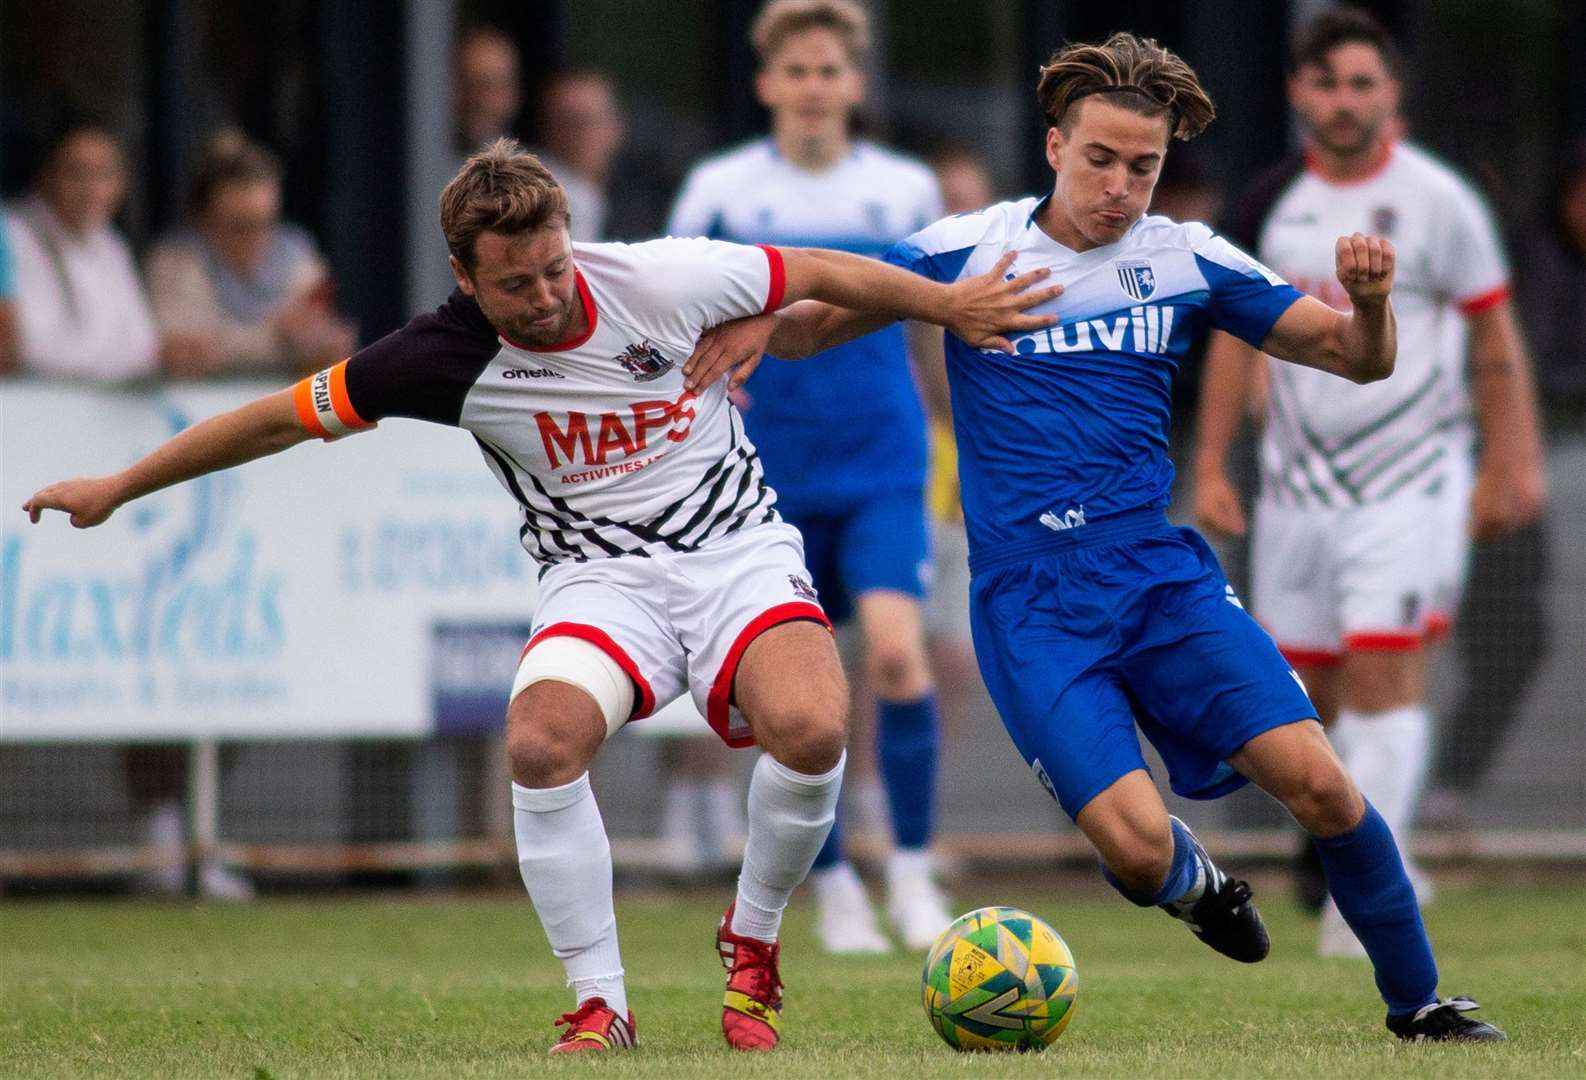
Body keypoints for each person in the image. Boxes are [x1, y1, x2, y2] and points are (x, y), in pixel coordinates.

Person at [23, 138, 1057, 1053]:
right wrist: (119, 487)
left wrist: (950, 307)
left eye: (554, 267)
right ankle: (599, 1005)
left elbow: (826, 270)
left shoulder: (663, 277)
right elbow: (275, 419)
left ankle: (751, 940)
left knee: (813, 728)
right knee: (537, 742)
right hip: (598, 581)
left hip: (736, 552)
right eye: (515, 284)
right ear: (464, 277)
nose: (547, 295)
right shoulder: (438, 358)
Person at [686, 31, 1507, 1043]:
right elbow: (815, 321)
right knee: (1129, 851)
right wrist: (778, 318)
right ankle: (1190, 882)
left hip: (1155, 579)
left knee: (1320, 783)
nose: (1120, 187)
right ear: (1052, 148)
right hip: (1030, 606)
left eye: (1143, 168)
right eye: (1099, 160)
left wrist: (1373, 305)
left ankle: (1418, 1004)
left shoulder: (1185, 258)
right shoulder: (968, 247)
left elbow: (1352, 356)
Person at [1190, 8, 1546, 952]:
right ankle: (1355, 851)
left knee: (1388, 673)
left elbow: (1491, 332)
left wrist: (1512, 459)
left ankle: (1363, 903)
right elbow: (1236, 334)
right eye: (1327, 83)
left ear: (1391, 93)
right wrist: (1211, 463)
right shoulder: (1269, 201)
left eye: (1363, 83)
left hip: (1411, 483)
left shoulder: (1440, 199)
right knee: (1309, 697)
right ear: (1299, 94)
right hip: (1297, 492)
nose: (1345, 101)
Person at [665, 0, 952, 955]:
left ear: (856, 85)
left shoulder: (905, 190)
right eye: (798, 72)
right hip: (766, 475)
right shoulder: (719, 190)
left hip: (881, 459)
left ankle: (911, 874)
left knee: (900, 657)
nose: (815, 88)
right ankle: (826, 888)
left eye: (831, 71)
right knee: (797, 696)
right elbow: (672, 314)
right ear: (767, 86)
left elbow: (935, 318)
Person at [147, 129, 355, 378]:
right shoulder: (177, 260)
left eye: (266, 224)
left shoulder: (295, 252)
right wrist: (277, 339)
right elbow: (182, 354)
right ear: (204, 222)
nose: (257, 239)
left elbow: (321, 347)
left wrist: (324, 344)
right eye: (239, 227)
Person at [5, 116, 161, 381]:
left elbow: (143, 342)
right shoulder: (13, 235)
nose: (90, 189)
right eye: (76, 173)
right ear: (46, 176)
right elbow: (29, 348)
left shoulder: (111, 244)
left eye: (103, 174)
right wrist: (127, 359)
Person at [535, 71, 625, 242]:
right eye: (567, 122)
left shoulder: (637, 200)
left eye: (590, 121)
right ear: (546, 129)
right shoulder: (537, 198)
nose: (580, 134)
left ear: (615, 128)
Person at [454, 25, 522, 157]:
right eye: (469, 84)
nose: (481, 100)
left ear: (513, 94)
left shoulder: (534, 173)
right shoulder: (415, 162)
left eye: (492, 85)